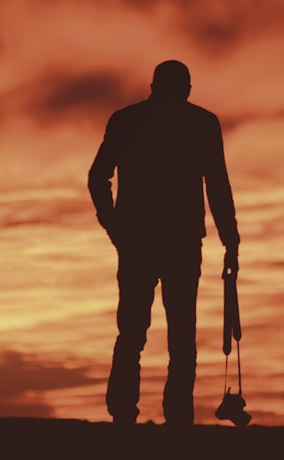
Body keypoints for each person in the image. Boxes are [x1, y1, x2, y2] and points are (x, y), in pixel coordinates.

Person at [88, 60, 240, 426]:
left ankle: (128, 415)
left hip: (150, 241)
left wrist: (115, 227)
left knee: (136, 334)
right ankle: (173, 420)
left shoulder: (127, 120)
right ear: (186, 89)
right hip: (174, 242)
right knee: (177, 338)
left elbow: (98, 178)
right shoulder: (201, 123)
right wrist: (230, 241)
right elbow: (217, 186)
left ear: (154, 86)